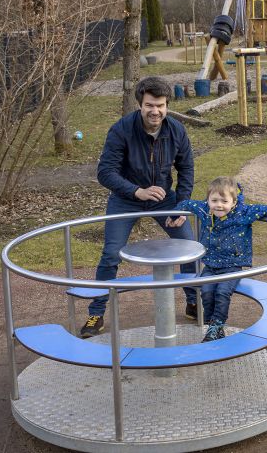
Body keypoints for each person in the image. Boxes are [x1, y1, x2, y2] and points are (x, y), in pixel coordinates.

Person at [80, 77, 197, 338]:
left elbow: (186, 168)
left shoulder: (176, 130)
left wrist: (181, 204)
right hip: (127, 198)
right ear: (140, 105)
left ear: (167, 105)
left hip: (164, 198)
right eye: (149, 105)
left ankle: (193, 301)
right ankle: (96, 313)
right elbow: (105, 172)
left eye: (161, 105)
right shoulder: (121, 130)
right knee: (111, 254)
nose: (155, 111)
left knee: (189, 247)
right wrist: (137, 191)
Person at [168, 177, 267, 342]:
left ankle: (215, 327)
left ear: (234, 202)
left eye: (224, 201)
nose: (219, 205)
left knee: (222, 293)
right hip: (211, 265)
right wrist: (174, 215)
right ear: (208, 200)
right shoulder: (205, 210)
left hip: (232, 266)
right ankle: (213, 326)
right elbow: (185, 204)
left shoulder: (244, 212)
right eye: (214, 200)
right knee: (206, 291)